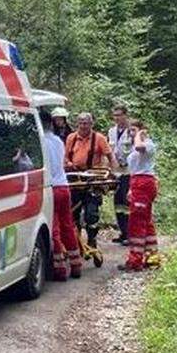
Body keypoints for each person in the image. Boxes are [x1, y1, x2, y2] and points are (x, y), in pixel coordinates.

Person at [41, 110, 81, 280]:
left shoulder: (40, 142)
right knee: (68, 225)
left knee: (54, 227)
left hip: (51, 188)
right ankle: (76, 264)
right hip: (64, 187)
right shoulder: (58, 141)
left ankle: (59, 269)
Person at [64, 112, 114, 247]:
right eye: (80, 123)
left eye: (86, 123)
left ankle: (92, 239)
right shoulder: (71, 138)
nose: (83, 126)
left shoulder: (99, 138)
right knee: (73, 213)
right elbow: (65, 156)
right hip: (75, 179)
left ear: (91, 124)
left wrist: (111, 172)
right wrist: (68, 163)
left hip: (93, 180)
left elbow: (110, 156)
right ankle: (76, 241)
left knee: (91, 214)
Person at [122, 119, 158, 271]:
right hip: (137, 183)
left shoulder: (147, 144)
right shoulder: (133, 149)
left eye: (134, 130)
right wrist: (130, 188)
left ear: (143, 130)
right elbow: (133, 169)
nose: (131, 133)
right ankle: (152, 257)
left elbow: (139, 146)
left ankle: (135, 260)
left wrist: (140, 135)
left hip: (144, 183)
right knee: (146, 220)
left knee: (136, 222)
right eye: (130, 130)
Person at [106, 105, 135, 244]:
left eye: (119, 115)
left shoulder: (131, 131)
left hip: (128, 170)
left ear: (125, 115)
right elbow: (109, 150)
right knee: (117, 202)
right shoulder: (111, 131)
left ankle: (130, 233)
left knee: (126, 202)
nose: (117, 118)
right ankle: (123, 231)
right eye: (115, 115)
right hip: (116, 171)